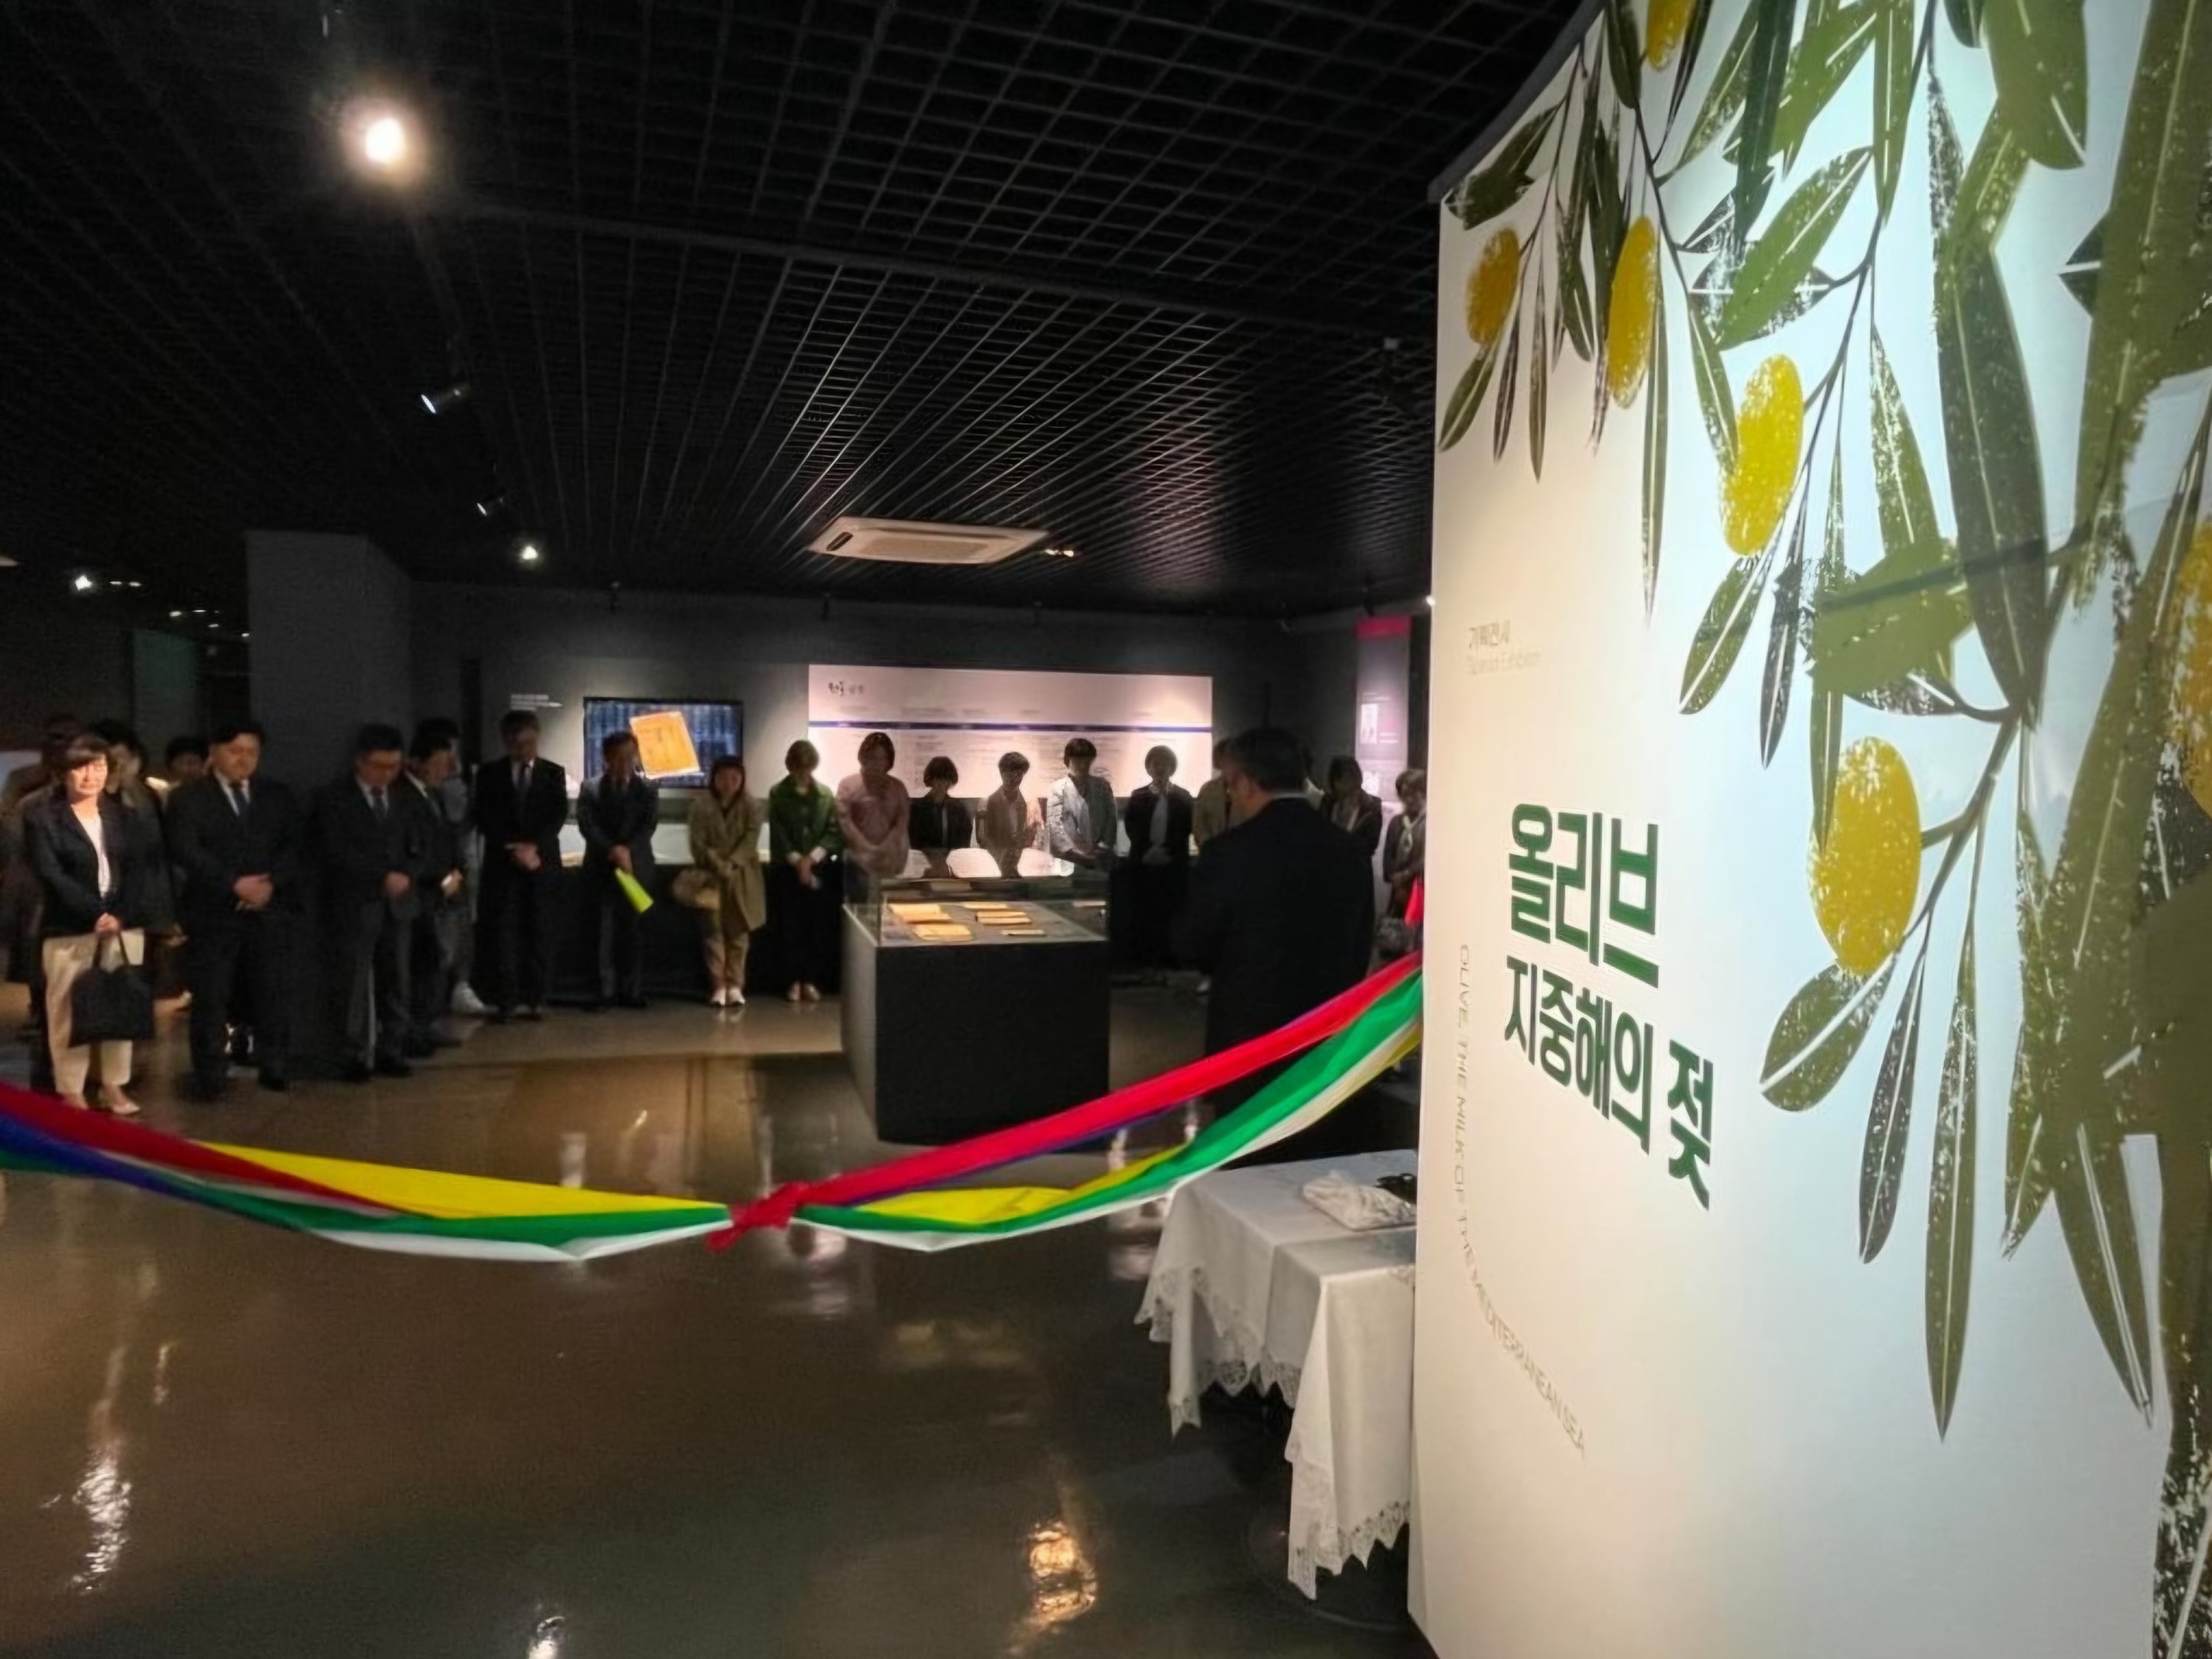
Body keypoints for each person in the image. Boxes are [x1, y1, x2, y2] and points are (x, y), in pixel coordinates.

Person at [1174, 727, 1375, 1144]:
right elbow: (1361, 943)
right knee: (1318, 1152)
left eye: (1231, 784)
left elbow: (1191, 943)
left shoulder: (1228, 853)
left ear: (1247, 783)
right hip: (1325, 1035)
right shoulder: (1348, 850)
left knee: (1246, 1153)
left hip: (1249, 1039)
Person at [23, 730, 168, 1113]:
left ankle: (114, 1085)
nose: (92, 775)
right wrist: (95, 913)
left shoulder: (124, 817)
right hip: (69, 927)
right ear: (63, 773)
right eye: (82, 767)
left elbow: (139, 871)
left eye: (99, 766)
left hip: (122, 925)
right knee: (68, 1013)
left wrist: (120, 914)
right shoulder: (44, 817)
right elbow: (51, 873)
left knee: (120, 1007)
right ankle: (71, 1090)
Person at [165, 719, 302, 1098]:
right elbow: (186, 850)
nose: (244, 759)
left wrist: (271, 884)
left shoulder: (276, 795)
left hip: (268, 908)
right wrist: (233, 884)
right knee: (212, 996)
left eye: (252, 752)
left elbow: (295, 846)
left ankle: (274, 1064)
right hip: (213, 911)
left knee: (272, 991)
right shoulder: (189, 797)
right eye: (235, 751)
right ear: (214, 752)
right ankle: (211, 1073)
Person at [312, 723, 431, 1083]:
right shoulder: (335, 798)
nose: (386, 774)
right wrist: (380, 877)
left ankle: (392, 1048)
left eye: (394, 766)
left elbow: (423, 843)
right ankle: (352, 1054)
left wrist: (408, 874)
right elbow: (334, 850)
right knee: (353, 982)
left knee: (397, 978)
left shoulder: (406, 797)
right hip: (356, 902)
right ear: (360, 762)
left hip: (399, 903)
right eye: (379, 766)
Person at [472, 709, 568, 1023]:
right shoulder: (489, 774)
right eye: (517, 743)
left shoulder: (553, 773)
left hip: (541, 863)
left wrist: (534, 847)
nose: (523, 749)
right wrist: (513, 848)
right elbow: (485, 815)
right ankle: (507, 1000)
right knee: (505, 933)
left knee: (540, 930)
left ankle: (537, 998)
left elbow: (557, 814)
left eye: (528, 743)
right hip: (503, 864)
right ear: (506, 741)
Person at [394, 723, 466, 1054]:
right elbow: (414, 849)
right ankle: (412, 1031)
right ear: (417, 762)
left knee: (435, 962)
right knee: (418, 964)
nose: (446, 771)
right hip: (421, 893)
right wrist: (441, 879)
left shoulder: (432, 795)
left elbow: (446, 839)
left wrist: (455, 873)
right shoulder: (403, 797)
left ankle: (427, 1024)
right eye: (439, 763)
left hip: (439, 892)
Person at [575, 728, 659, 1010]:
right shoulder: (591, 788)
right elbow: (588, 825)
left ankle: (631, 991)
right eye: (619, 756)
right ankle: (604, 992)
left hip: (636, 868)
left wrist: (627, 850)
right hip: (601, 868)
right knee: (603, 932)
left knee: (634, 931)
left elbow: (648, 826)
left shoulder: (648, 789)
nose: (625, 762)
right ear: (607, 758)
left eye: (630, 756)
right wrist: (613, 849)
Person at [687, 755, 767, 1007]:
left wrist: (732, 863)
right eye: (723, 778)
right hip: (710, 876)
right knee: (713, 933)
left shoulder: (752, 806)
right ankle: (718, 986)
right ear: (714, 779)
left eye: (735, 778)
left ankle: (736, 985)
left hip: (742, 875)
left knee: (739, 932)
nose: (729, 783)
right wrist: (716, 862)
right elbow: (697, 842)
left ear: (742, 780)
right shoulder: (701, 806)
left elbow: (751, 840)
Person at [768, 739, 841, 1003]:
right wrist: (798, 861)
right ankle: (792, 981)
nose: (803, 774)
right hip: (786, 871)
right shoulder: (778, 793)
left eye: (807, 769)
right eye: (799, 769)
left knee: (815, 927)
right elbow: (779, 833)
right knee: (789, 927)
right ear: (791, 767)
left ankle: (810, 980)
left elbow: (833, 832)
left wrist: (811, 860)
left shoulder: (825, 794)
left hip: (818, 870)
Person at [1121, 744, 1194, 978]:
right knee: (1143, 911)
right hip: (1143, 862)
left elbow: (1187, 828)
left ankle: (1169, 959)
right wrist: (1147, 850)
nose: (1160, 767)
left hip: (1173, 863)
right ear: (1148, 767)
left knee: (1171, 912)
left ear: (1172, 767)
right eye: (1156, 763)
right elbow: (1131, 827)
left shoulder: (1183, 797)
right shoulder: (1138, 796)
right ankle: (1144, 959)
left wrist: (1167, 851)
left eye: (1165, 763)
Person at [835, 731, 910, 894]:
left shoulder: (898, 788)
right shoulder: (848, 784)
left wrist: (885, 849)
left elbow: (901, 824)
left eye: (883, 759)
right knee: (857, 904)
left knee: (884, 905)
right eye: (873, 758)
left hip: (887, 863)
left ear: (889, 761)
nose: (878, 764)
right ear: (864, 758)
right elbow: (844, 822)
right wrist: (866, 848)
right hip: (856, 863)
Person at [1045, 738, 1116, 870]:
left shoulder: (1102, 786)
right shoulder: (1058, 789)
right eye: (1078, 761)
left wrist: (1103, 848)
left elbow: (1111, 821)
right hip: (1069, 861)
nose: (1083, 766)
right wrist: (1082, 858)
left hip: (1100, 859)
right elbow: (1056, 829)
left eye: (1087, 761)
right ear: (1067, 761)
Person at [978, 751, 1037, 877]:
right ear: (1002, 774)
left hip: (1016, 861)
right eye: (1011, 775)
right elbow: (983, 840)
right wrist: (1004, 862)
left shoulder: (1025, 803)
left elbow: (1027, 838)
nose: (1015, 780)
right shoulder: (988, 802)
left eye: (1020, 775)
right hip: (995, 863)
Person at [910, 757, 973, 872]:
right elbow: (914, 844)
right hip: (924, 867)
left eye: (946, 780)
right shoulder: (916, 809)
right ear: (931, 780)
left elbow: (963, 845)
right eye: (938, 779)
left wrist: (948, 860)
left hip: (953, 866)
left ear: (951, 781)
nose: (942, 784)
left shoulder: (960, 810)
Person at [1382, 768, 1427, 921]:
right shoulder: (1396, 823)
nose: (1409, 799)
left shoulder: (1430, 822)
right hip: (1398, 891)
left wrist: (1407, 876)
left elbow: (1428, 858)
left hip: (1422, 889)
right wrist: (1397, 883)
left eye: (1414, 794)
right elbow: (1389, 857)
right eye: (1405, 794)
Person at [1323, 755, 1385, 859]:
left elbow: (1369, 846)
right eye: (1341, 779)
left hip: (1357, 866)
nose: (1346, 785)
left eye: (1350, 779)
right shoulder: (1328, 803)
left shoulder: (1372, 807)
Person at [1191, 740, 1236, 849]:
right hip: (1212, 850)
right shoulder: (1208, 790)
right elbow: (1199, 824)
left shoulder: (1250, 788)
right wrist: (1209, 847)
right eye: (1223, 757)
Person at [151, 735, 208, 801]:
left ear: (204, 765)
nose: (186, 769)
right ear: (169, 767)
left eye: (192, 763)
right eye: (180, 763)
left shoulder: (212, 795)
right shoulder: (163, 797)